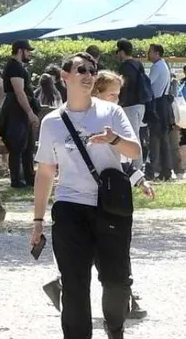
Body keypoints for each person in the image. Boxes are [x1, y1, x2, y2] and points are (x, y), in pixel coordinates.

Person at [31, 53, 142, 339]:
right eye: (81, 70)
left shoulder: (111, 112)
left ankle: (114, 327)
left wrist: (113, 139)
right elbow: (45, 172)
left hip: (110, 208)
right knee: (74, 284)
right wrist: (38, 220)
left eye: (92, 70)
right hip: (69, 207)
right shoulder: (52, 122)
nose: (88, 75)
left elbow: (134, 151)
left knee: (116, 282)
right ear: (64, 76)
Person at [0, 39, 40, 189]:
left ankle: (29, 178)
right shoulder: (14, 67)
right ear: (20, 50)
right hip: (16, 109)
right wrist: (29, 112)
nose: (29, 54)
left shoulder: (17, 66)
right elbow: (19, 92)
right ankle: (16, 180)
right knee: (17, 145)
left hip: (19, 107)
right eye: (27, 51)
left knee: (28, 145)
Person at [114, 40, 152, 176]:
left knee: (132, 136)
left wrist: (118, 102)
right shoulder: (138, 64)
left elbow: (124, 87)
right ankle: (136, 166)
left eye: (117, 52)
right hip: (141, 104)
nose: (116, 55)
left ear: (122, 52)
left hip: (129, 105)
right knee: (135, 134)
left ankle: (136, 168)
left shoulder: (125, 67)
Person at [144, 43, 175, 181]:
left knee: (155, 139)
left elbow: (148, 83)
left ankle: (153, 171)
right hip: (164, 104)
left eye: (150, 52)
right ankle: (165, 171)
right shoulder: (164, 65)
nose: (148, 54)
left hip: (158, 104)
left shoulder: (157, 66)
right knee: (163, 139)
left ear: (156, 53)